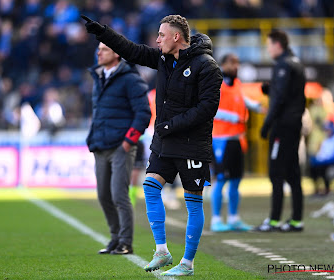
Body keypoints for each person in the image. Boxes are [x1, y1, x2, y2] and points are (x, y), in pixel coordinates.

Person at [82, 14, 222, 276]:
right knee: (149, 186)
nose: (157, 40)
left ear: (176, 37)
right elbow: (131, 51)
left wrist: (172, 125)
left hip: (192, 144)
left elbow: (207, 108)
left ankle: (188, 264)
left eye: (161, 35)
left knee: (193, 203)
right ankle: (162, 251)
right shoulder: (163, 59)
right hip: (165, 141)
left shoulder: (207, 66)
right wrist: (102, 32)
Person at [86, 42, 151, 255]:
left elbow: (143, 113)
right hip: (100, 145)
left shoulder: (131, 79)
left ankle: (125, 242)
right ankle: (115, 238)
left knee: (118, 195)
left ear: (116, 53)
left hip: (120, 146)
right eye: (98, 49)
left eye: (104, 49)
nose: (99, 53)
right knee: (103, 196)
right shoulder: (99, 77)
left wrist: (128, 142)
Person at [254, 30, 306, 232]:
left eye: (269, 45)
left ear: (278, 45)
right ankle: (296, 220)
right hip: (294, 125)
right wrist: (272, 88)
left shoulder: (283, 64)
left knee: (276, 172)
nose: (268, 49)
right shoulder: (296, 62)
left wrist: (266, 125)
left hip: (282, 127)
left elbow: (280, 99)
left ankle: (273, 220)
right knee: (293, 173)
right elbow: (288, 93)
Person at [210, 53, 262, 232]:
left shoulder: (238, 85)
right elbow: (211, 109)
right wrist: (233, 117)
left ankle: (233, 218)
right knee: (221, 179)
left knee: (236, 180)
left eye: (237, 63)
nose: (235, 67)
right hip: (220, 141)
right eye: (232, 63)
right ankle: (216, 219)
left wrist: (256, 106)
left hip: (236, 139)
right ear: (223, 65)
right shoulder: (216, 85)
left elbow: (242, 100)